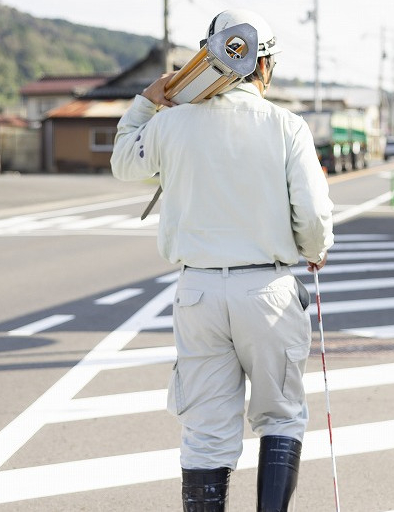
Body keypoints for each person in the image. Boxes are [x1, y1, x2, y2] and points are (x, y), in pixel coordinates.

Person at [110, 9, 334, 512]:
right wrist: (314, 250)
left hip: (199, 292)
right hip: (268, 291)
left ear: (206, 60)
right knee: (280, 417)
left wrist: (148, 100)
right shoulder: (286, 125)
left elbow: (123, 161)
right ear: (265, 66)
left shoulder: (172, 124)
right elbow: (315, 214)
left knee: (206, 431)